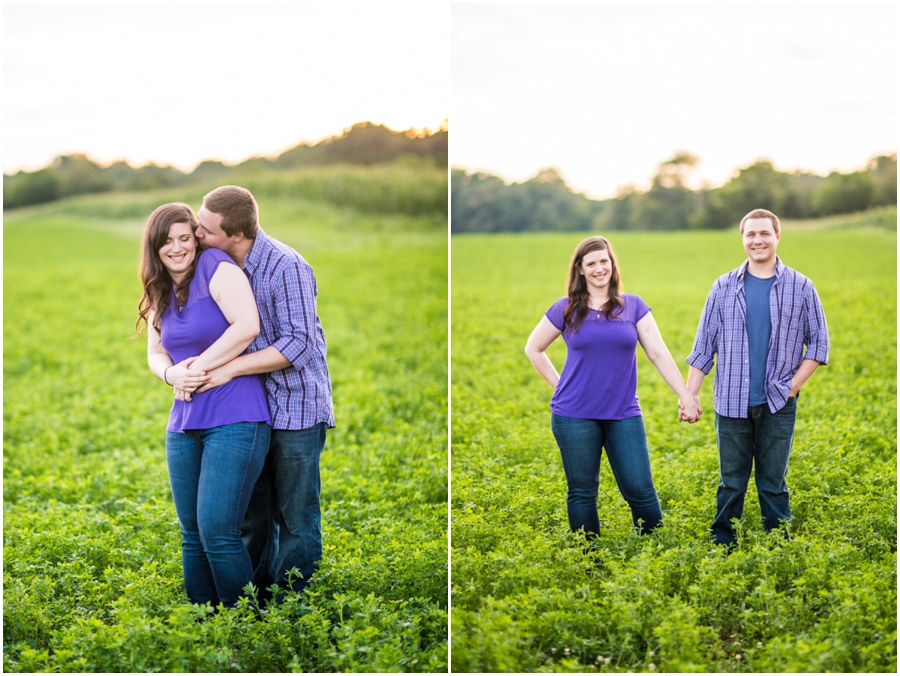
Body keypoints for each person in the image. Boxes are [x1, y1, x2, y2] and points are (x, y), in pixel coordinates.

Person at [188, 186, 334, 602]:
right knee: (253, 513)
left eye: (205, 229)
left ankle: (290, 603)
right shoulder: (215, 264)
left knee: (295, 516)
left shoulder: (286, 266)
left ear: (236, 234)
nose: (198, 233)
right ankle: (252, 598)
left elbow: (299, 344)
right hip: (247, 411)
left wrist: (230, 367)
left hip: (295, 407)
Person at [137, 202, 272, 608]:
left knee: (218, 530)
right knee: (191, 532)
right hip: (183, 421)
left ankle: (242, 628)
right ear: (155, 247)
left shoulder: (215, 266)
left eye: (184, 238)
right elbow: (156, 352)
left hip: (236, 417)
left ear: (195, 239)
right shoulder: (159, 287)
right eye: (167, 241)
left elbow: (247, 326)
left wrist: (196, 369)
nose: (177, 248)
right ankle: (203, 625)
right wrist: (171, 375)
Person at [525, 236, 700, 541]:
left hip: (623, 413)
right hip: (574, 416)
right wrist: (560, 386)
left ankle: (655, 553)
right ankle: (589, 562)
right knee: (582, 492)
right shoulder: (565, 308)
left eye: (604, 261)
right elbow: (534, 348)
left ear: (612, 264)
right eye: (591, 263)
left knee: (640, 489)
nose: (599, 268)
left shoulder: (633, 306)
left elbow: (658, 353)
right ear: (580, 269)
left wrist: (685, 395)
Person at [683, 208, 829, 548]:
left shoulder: (801, 286)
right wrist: (690, 396)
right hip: (730, 404)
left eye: (764, 233)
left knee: (773, 482)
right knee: (731, 482)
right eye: (751, 234)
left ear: (778, 237)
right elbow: (704, 347)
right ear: (743, 239)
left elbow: (819, 343)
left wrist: (792, 387)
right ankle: (723, 544)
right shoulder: (722, 287)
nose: (757, 240)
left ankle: (778, 545)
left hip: (778, 403)